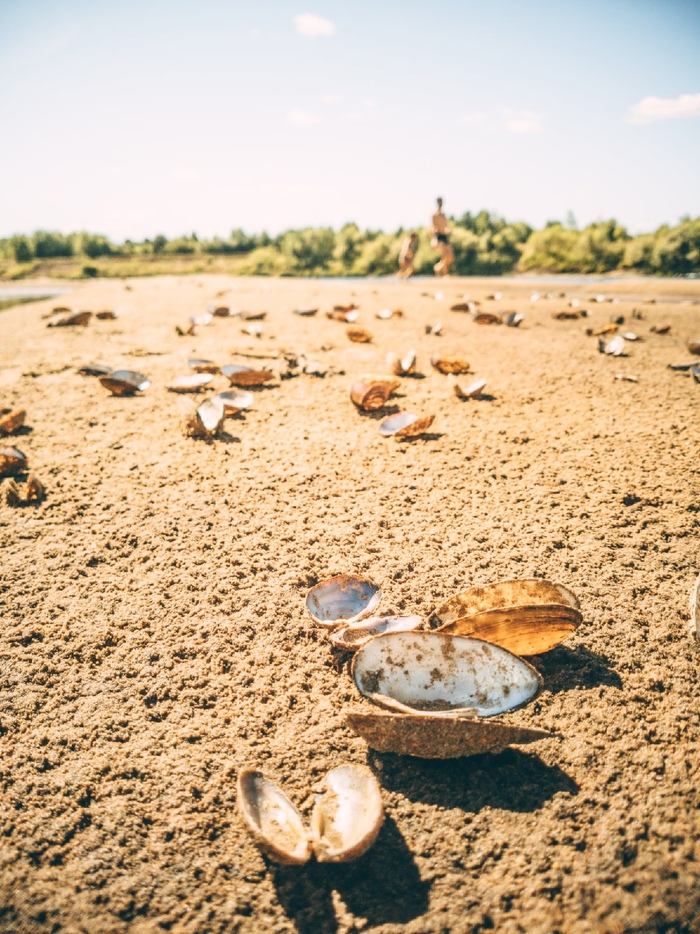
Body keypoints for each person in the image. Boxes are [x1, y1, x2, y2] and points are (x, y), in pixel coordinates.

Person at [431, 196, 454, 276]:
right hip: (439, 236)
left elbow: (446, 225)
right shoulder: (434, 214)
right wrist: (434, 235)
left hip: (445, 236)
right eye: (440, 202)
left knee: (450, 257)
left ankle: (437, 267)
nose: (441, 204)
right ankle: (445, 273)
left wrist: (449, 231)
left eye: (442, 202)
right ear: (437, 203)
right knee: (444, 255)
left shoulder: (443, 214)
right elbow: (433, 226)